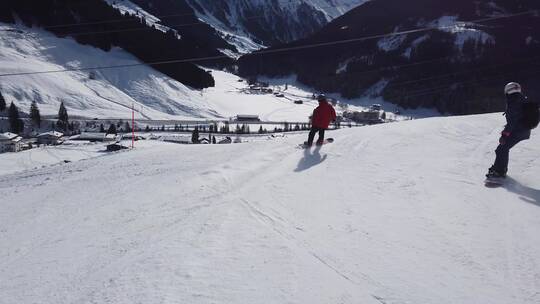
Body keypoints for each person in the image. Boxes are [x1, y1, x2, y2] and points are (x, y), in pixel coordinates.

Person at [486, 82, 531, 179]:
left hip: (518, 131)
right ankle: (500, 169)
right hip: (523, 130)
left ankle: (499, 171)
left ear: (508, 91)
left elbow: (512, 121)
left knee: (502, 149)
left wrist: (504, 135)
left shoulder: (513, 101)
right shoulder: (521, 99)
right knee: (502, 149)